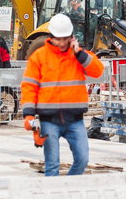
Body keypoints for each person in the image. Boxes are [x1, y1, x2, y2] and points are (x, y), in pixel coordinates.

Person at [21, 13, 104, 176]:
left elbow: (98, 71)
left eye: (64, 39)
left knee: (82, 160)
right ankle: (52, 196)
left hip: (74, 119)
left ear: (71, 37)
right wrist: (29, 115)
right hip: (49, 120)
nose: (61, 43)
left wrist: (79, 53)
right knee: (52, 165)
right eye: (57, 39)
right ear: (51, 37)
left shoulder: (79, 55)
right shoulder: (39, 57)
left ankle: (67, 188)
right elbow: (29, 86)